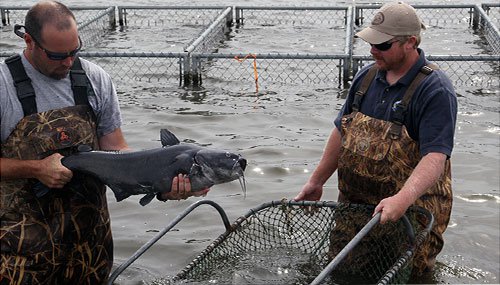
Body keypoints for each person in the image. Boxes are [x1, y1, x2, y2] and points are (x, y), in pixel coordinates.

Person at [0, 1, 208, 284]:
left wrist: (163, 182)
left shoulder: (95, 79)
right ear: (29, 41)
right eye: (57, 55)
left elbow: (117, 150)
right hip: (19, 250)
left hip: (90, 247)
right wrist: (36, 169)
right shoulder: (4, 85)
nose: (68, 62)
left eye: (75, 51)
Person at [294, 1, 456, 277]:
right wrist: (316, 181)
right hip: (356, 206)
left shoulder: (435, 90)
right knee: (341, 273)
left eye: (382, 45)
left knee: (407, 278)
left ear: (410, 43)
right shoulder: (366, 77)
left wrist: (402, 200)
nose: (372, 51)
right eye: (371, 42)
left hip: (411, 213)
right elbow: (342, 131)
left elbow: (435, 157)